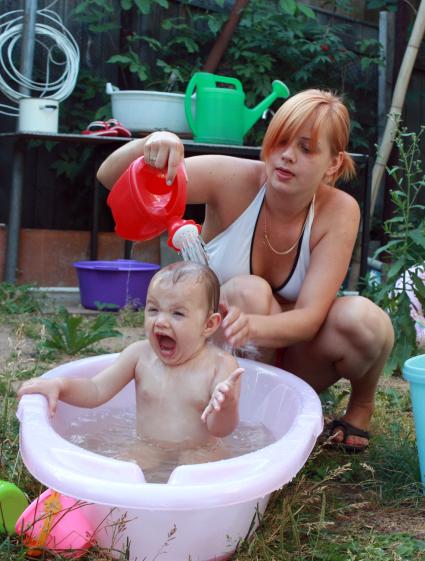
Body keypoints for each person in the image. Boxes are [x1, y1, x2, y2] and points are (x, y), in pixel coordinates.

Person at [97, 88, 394, 453]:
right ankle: (243, 418)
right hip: (215, 357)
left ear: (333, 163)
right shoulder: (231, 178)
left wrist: (253, 327)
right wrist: (149, 145)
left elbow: (311, 317)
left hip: (297, 359)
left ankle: (360, 407)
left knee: (366, 320)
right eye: (280, 141)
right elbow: (110, 177)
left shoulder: (339, 211)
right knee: (247, 292)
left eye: (306, 148)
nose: (286, 156)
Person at [18, 262, 244, 472]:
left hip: (200, 451)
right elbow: (96, 389)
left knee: (209, 473)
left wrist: (225, 406)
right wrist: (60, 385)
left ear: (209, 324)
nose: (161, 321)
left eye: (177, 313)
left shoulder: (220, 366)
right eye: (153, 309)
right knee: (119, 468)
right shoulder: (139, 356)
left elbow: (220, 429)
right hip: (148, 446)